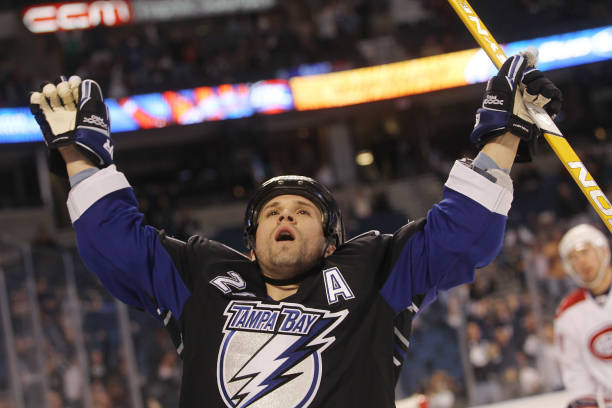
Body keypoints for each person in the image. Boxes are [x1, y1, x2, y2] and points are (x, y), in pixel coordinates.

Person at [29, 51, 561, 407]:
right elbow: (114, 249)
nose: (284, 216)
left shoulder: (375, 268)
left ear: (331, 242)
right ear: (251, 241)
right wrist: (81, 159)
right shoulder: (202, 273)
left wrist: (503, 139)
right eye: (272, 212)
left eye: (302, 211)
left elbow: (464, 236)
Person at [555, 224, 612, 407]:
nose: (580, 262)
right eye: (573, 258)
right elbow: (575, 369)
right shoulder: (569, 313)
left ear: (603, 251)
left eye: (585, 252)